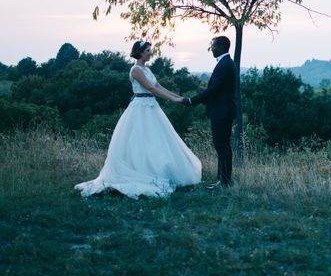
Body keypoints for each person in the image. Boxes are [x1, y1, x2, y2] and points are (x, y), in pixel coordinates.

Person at [75, 41, 202, 198]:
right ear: (140, 52)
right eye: (148, 51)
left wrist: (179, 97)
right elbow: (151, 89)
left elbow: (160, 87)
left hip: (151, 107)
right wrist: (173, 101)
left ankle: (160, 170)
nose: (151, 53)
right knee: (139, 141)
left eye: (150, 50)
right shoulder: (135, 70)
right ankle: (141, 172)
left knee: (156, 140)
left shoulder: (147, 69)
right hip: (140, 107)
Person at [183, 36, 237, 188]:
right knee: (223, 146)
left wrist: (191, 101)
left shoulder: (224, 65)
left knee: (222, 146)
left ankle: (225, 181)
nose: (212, 49)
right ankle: (223, 179)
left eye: (213, 46)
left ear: (221, 46)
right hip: (223, 111)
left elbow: (213, 90)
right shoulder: (225, 63)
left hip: (222, 112)